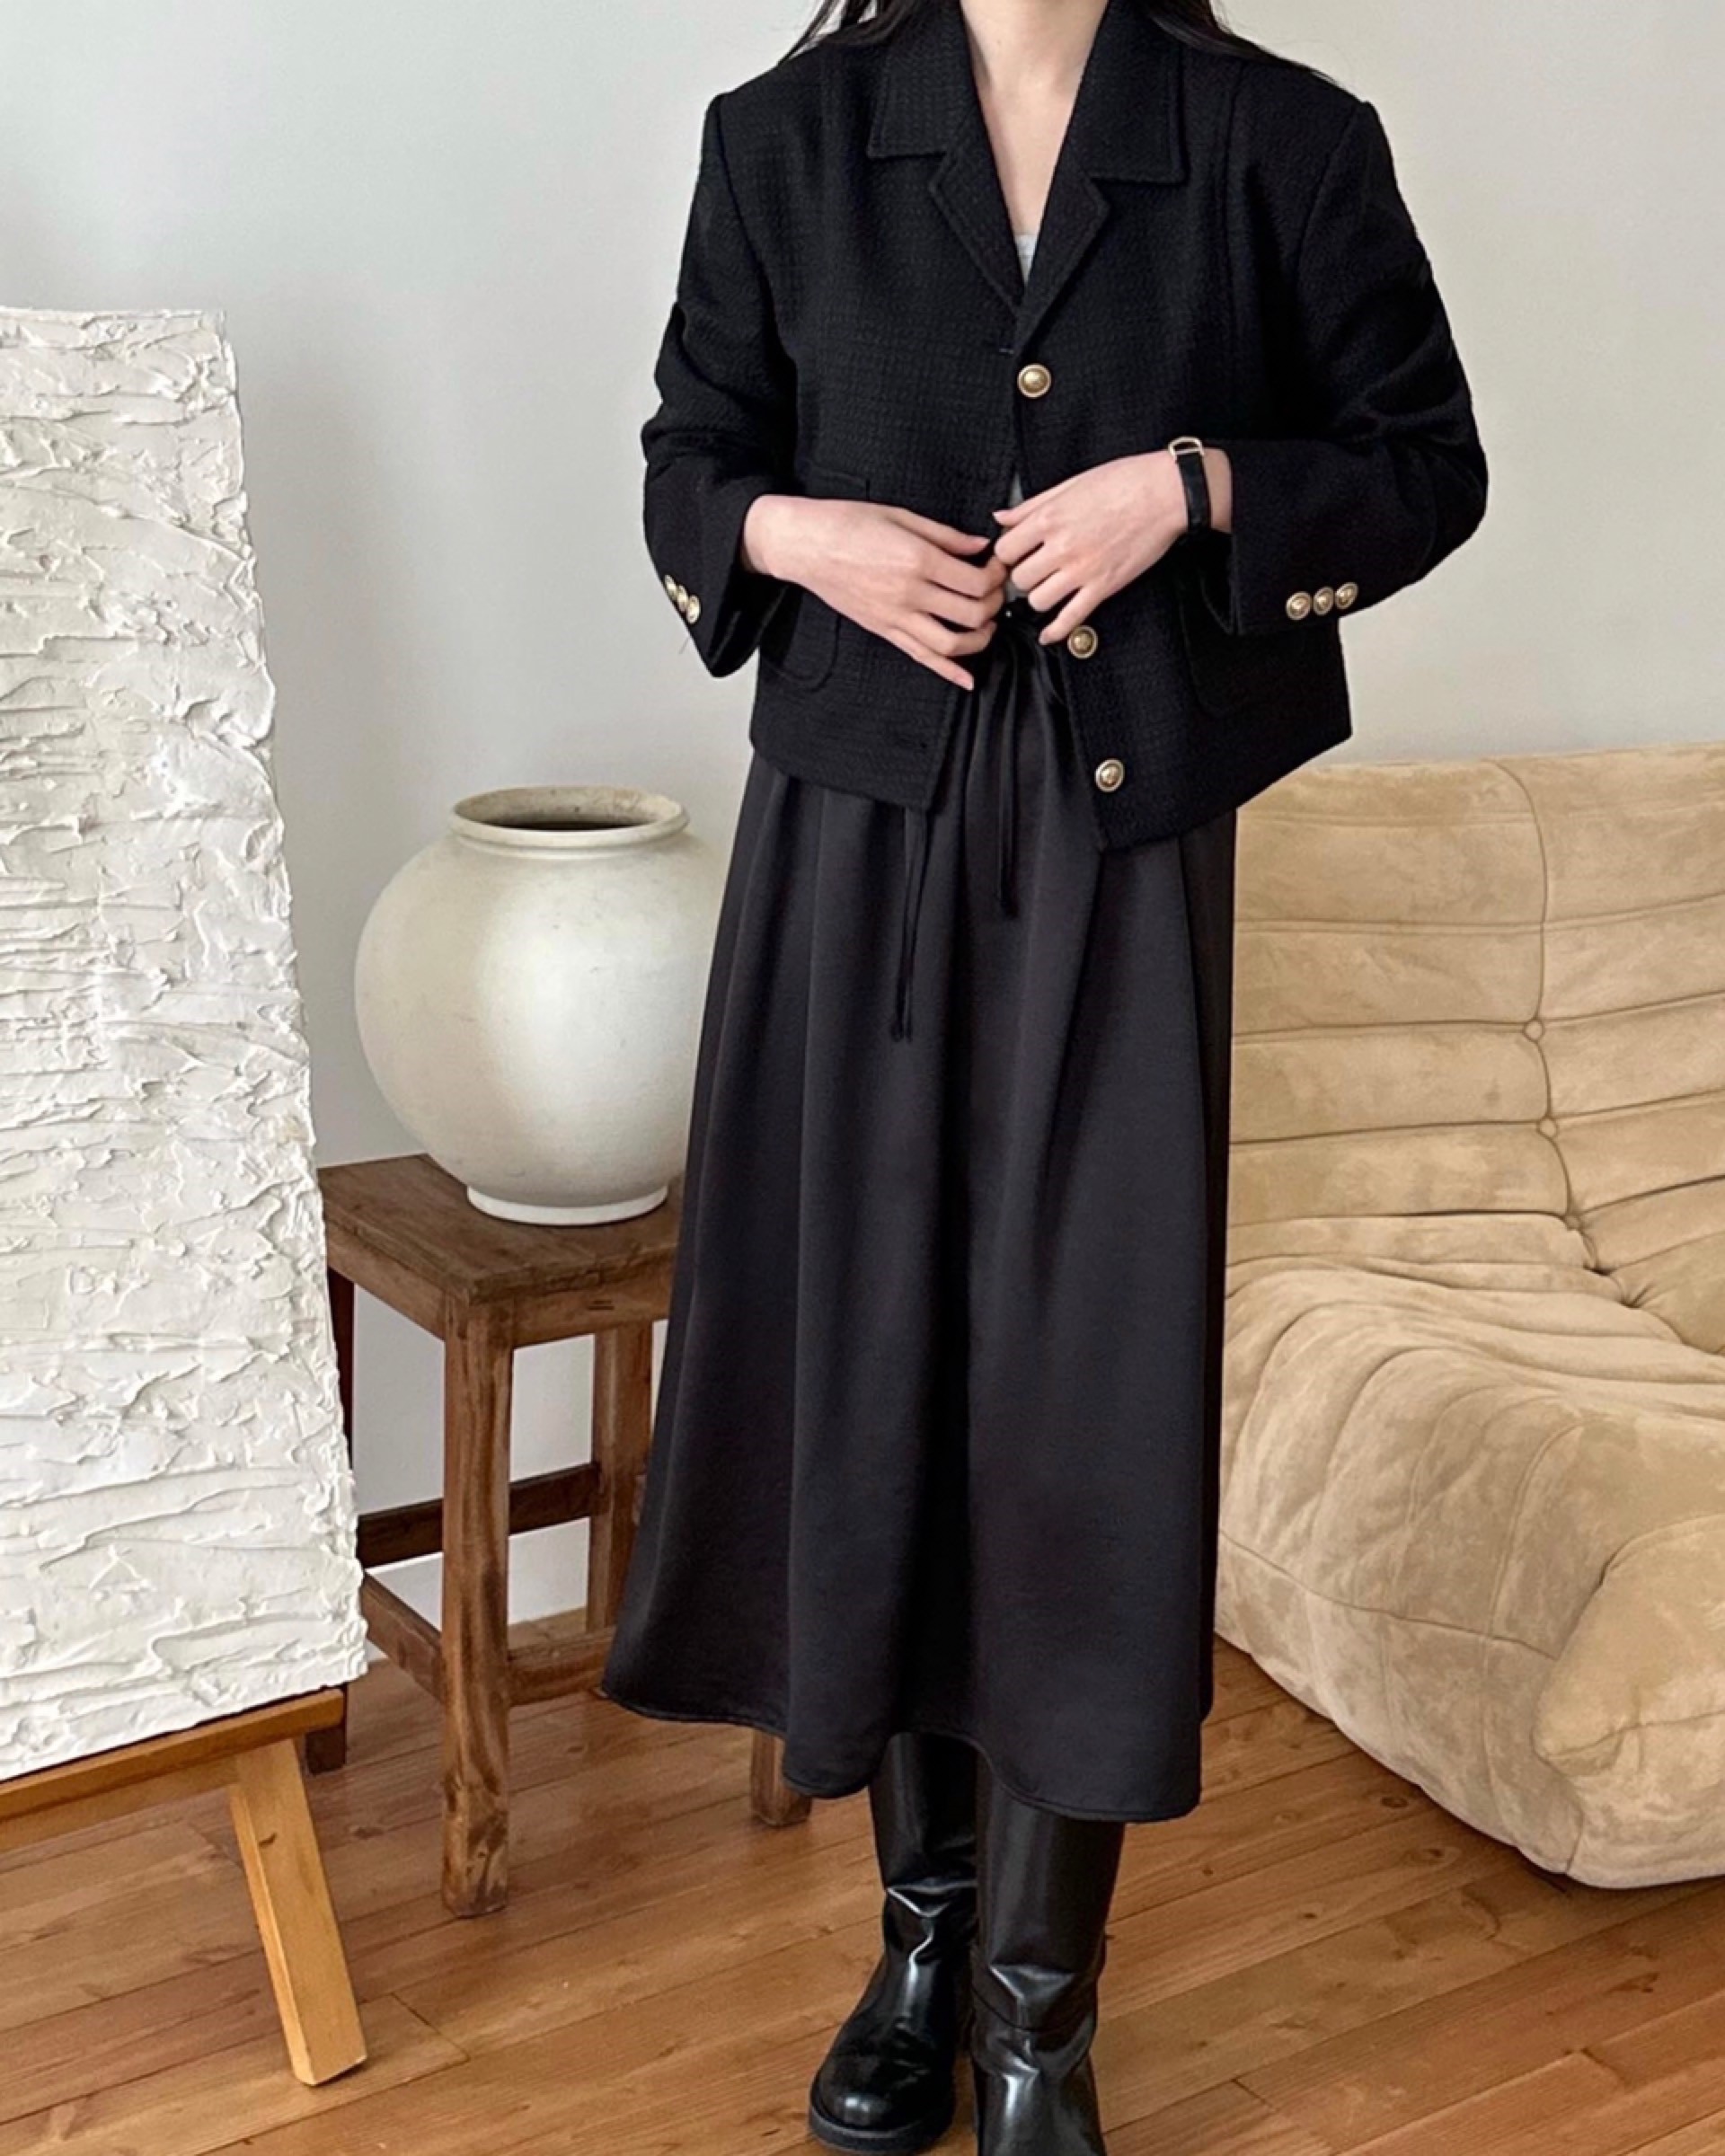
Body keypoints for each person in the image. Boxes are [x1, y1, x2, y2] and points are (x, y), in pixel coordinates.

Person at [600, 1, 1488, 2149]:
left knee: (1084, 1407)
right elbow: (689, 456)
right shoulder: (784, 135)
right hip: (852, 837)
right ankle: (918, 1944)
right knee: (880, 1375)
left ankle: (1036, 2014)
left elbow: (1426, 461)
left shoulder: (1279, 137)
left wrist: (1191, 490)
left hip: (1120, 850)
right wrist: (801, 538)